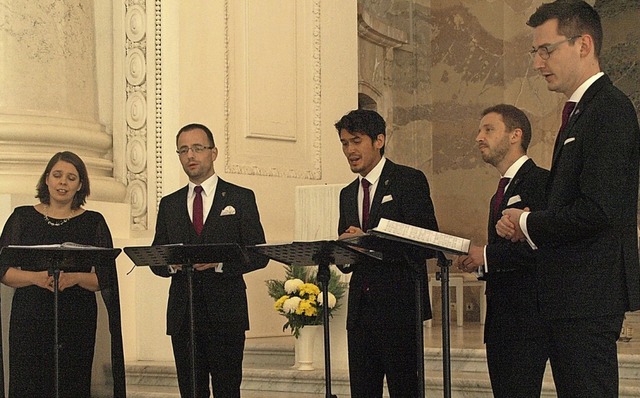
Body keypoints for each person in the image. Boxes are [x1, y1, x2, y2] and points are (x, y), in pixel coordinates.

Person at [496, 1, 640, 396]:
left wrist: (526, 223)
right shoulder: (581, 111)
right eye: (535, 51)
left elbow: (598, 210)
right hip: (571, 296)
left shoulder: (608, 109)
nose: (539, 62)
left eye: (547, 49)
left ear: (584, 44)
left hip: (589, 298)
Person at [151, 123, 268, 398]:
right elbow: (158, 256)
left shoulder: (241, 197)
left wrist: (219, 264)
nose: (190, 155)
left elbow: (259, 253)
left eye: (197, 148)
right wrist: (172, 264)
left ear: (213, 152)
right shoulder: (169, 204)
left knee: (228, 390)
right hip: (183, 314)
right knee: (190, 391)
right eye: (183, 150)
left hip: (226, 312)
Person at [0, 151, 126, 397]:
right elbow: (3, 271)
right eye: (57, 175)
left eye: (71, 178)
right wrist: (36, 278)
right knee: (29, 383)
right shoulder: (22, 217)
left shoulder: (93, 221)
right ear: (47, 179)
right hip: (30, 316)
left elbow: (106, 277)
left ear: (80, 185)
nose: (63, 183)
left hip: (76, 317)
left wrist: (75, 278)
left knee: (73, 382)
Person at [335, 109, 438, 397]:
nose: (349, 151)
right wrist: (341, 251)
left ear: (379, 140)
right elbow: (350, 247)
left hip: (400, 307)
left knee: (405, 389)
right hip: (360, 311)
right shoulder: (346, 193)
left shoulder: (408, 180)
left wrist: (367, 242)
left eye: (356, 141)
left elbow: (426, 240)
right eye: (344, 143)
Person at [455, 104, 549, 397]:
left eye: (488, 129)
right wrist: (480, 261)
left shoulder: (541, 182)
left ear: (515, 135)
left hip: (527, 320)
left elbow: (544, 250)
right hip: (501, 320)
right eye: (480, 130)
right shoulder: (500, 190)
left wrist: (486, 255)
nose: (478, 137)